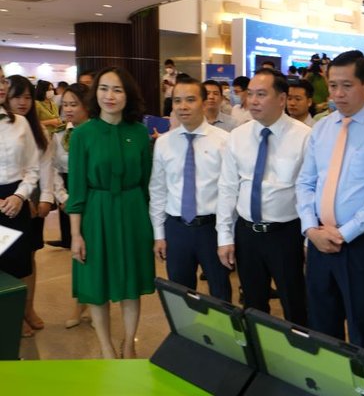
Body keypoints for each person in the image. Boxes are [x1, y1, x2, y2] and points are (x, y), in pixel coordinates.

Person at [296, 50, 364, 395]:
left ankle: (363, 390)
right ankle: (328, 387)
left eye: (346, 85)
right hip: (318, 241)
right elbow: (305, 182)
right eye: (332, 86)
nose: (338, 94)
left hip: (359, 246)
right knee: (321, 325)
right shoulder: (321, 128)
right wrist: (310, 229)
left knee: (361, 327)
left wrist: (343, 233)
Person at [66, 66, 155, 359]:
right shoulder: (82, 134)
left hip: (133, 212)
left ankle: (129, 343)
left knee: (131, 281)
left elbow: (147, 183)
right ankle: (106, 346)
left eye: (117, 89)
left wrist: (151, 227)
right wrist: (76, 234)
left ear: (128, 95)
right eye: (103, 88)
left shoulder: (139, 133)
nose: (110, 96)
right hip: (96, 213)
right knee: (97, 280)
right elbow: (77, 189)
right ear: (95, 94)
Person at [218, 68, 310, 323]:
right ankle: (258, 348)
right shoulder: (238, 136)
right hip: (247, 233)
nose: (253, 101)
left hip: (286, 234)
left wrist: (308, 240)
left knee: (295, 303)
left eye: (261, 94)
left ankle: (298, 347)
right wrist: (224, 236)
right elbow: (227, 188)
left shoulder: (304, 137)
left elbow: (310, 192)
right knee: (253, 306)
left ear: (281, 99)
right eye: (250, 94)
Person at [150, 78, 231, 301]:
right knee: (179, 294)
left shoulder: (224, 141)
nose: (183, 106)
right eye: (177, 101)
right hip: (176, 229)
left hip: (211, 229)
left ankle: (222, 326)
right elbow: (158, 191)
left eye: (190, 100)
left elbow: (229, 192)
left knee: (220, 293)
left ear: (204, 103)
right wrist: (159, 235)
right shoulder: (163, 143)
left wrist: (227, 236)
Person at [7, 75, 53, 338]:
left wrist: (44, 198)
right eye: (17, 96)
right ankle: (12, 311)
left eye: (27, 97)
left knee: (28, 257)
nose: (22, 102)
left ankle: (28, 308)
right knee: (9, 257)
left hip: (31, 199)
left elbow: (45, 167)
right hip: (11, 198)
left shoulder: (37, 129)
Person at [47, 83, 93, 328]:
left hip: (94, 195)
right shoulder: (59, 134)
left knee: (95, 251)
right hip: (69, 195)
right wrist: (63, 197)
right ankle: (80, 303)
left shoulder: (97, 132)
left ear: (87, 106)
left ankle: (96, 302)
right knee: (77, 252)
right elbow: (53, 168)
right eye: (65, 104)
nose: (68, 109)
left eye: (74, 104)